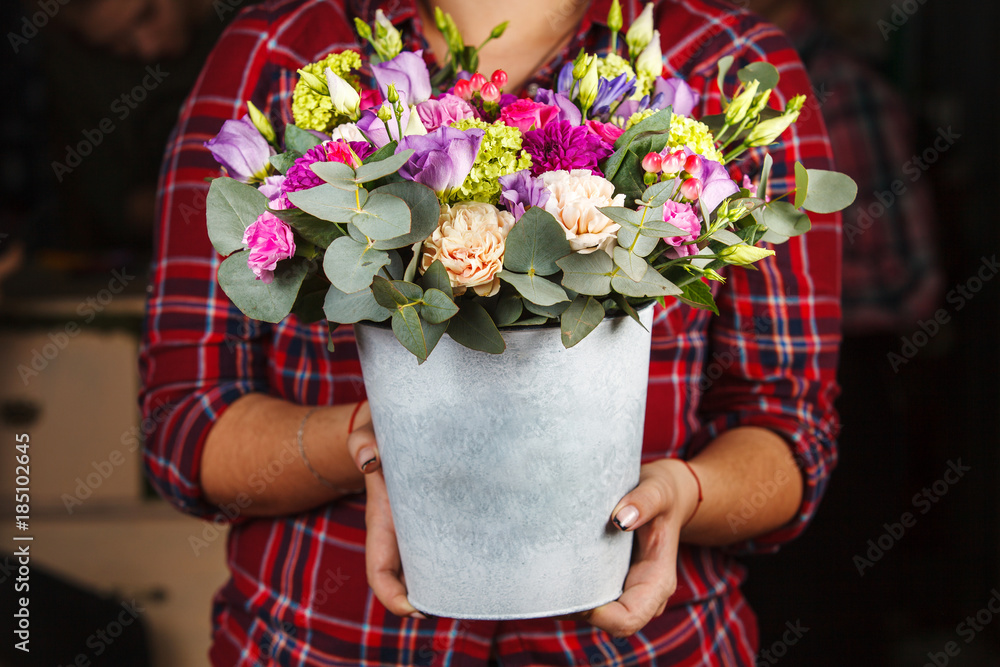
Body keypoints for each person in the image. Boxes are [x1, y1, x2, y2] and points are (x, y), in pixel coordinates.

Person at [139, 0, 842, 663]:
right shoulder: (281, 50)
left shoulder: (720, 59)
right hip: (325, 644)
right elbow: (186, 421)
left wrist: (683, 493)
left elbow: (787, 429)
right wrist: (368, 442)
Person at [741, 1, 941, 662]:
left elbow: (911, 279)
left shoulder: (844, 88)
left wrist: (772, 286)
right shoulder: (696, 73)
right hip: (732, 403)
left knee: (828, 613)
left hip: (842, 388)